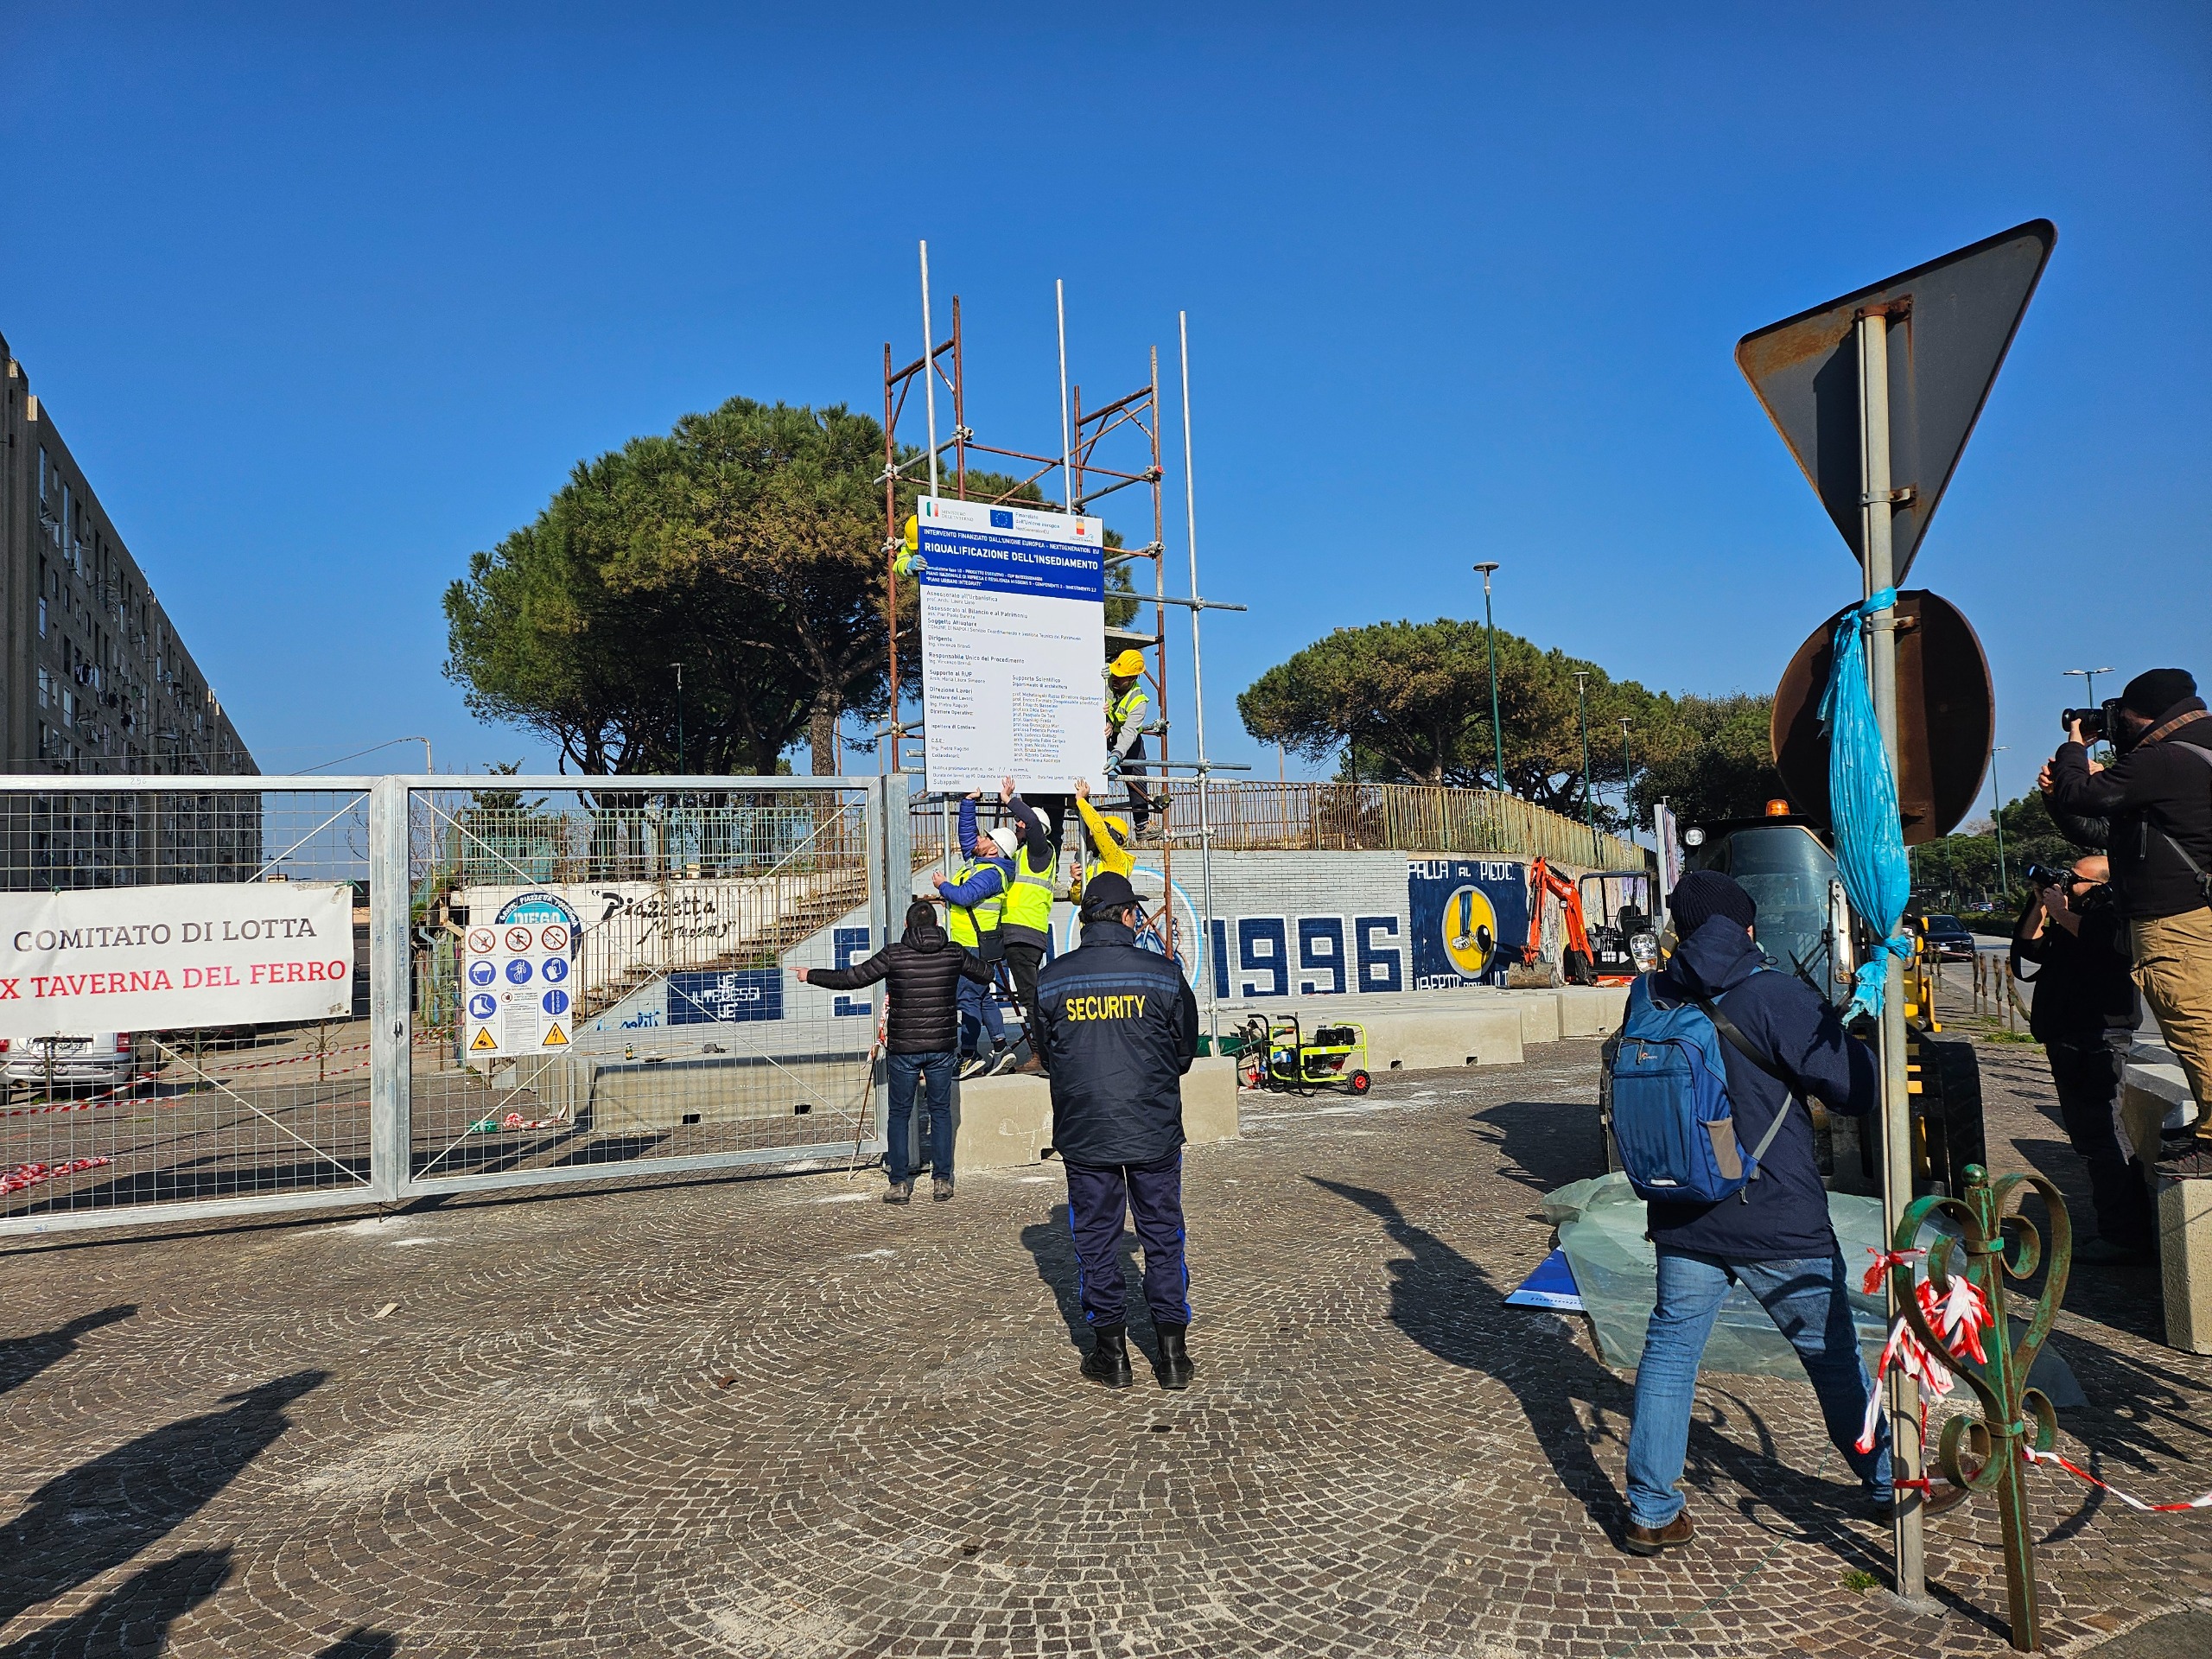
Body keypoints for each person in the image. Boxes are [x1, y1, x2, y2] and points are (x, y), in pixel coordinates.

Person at [1617, 870, 1910, 1556]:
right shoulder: (1774, 993)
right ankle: (1889, 1482)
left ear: (1681, 932)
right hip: (1776, 1215)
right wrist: (1862, 1035)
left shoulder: (1647, 993)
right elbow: (1856, 1090)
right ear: (1745, 928)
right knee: (1832, 1361)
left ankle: (1651, 1510)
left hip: (1683, 1208)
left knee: (1669, 1356)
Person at [1031, 871, 1202, 1390]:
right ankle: (1172, 1357)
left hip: (1086, 1132)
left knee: (1096, 1242)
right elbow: (1184, 1053)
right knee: (1162, 1236)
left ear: (1085, 920)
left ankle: (1113, 1355)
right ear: (1128, 916)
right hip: (1152, 1129)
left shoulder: (1052, 979)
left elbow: (1049, 1056)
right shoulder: (1164, 974)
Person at [2043, 667, 2212, 1126]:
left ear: (2142, 715)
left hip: (2176, 921)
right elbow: (2103, 830)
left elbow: (2081, 795)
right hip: (2200, 908)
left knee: (2195, 1028)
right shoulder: (2197, 750)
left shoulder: (2163, 759)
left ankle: (2211, 1139)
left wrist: (2075, 747)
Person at [793, 899, 990, 1203]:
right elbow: (985, 974)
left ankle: (899, 1184)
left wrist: (811, 974)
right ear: (938, 925)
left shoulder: (894, 954)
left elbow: (852, 978)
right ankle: (942, 1181)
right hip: (942, 1046)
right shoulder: (953, 952)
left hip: (904, 1048)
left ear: (907, 926)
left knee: (899, 1114)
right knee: (940, 1112)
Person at [2012, 856, 2153, 1262]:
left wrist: (2059, 911)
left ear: (2101, 885)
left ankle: (2124, 1235)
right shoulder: (2073, 915)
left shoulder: (2116, 915)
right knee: (2092, 1137)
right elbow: (2030, 947)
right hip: (2069, 1039)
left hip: (2097, 1040)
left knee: (2102, 1135)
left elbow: (2107, 947)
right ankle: (2120, 1229)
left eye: (2075, 879)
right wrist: (2041, 903)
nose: (2067, 882)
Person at [932, 791, 1019, 1077]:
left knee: (968, 999)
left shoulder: (991, 873)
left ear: (994, 850)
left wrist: (943, 886)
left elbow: (964, 896)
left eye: (986, 838)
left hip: (972, 946)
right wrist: (969, 802)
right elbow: (968, 836)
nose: (979, 839)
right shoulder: (983, 863)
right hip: (975, 945)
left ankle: (969, 1055)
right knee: (982, 998)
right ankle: (1001, 1048)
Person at [995, 777, 1061, 1075]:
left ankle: (1042, 1056)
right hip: (1020, 932)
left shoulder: (1040, 851)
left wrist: (1010, 800)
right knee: (1031, 996)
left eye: (1021, 823)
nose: (1018, 825)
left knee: (1031, 998)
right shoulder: (1024, 854)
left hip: (1024, 933)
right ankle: (1043, 1053)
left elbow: (1032, 822)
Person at [1105, 650, 1163, 842]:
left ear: (1132, 678)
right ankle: (1077, 800)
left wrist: (1116, 754)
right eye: (1115, 673)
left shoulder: (1138, 701)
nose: (1115, 678)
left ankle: (1142, 825)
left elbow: (1129, 732)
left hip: (1125, 738)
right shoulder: (1108, 675)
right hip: (1101, 731)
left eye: (1121, 677)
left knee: (1137, 774)